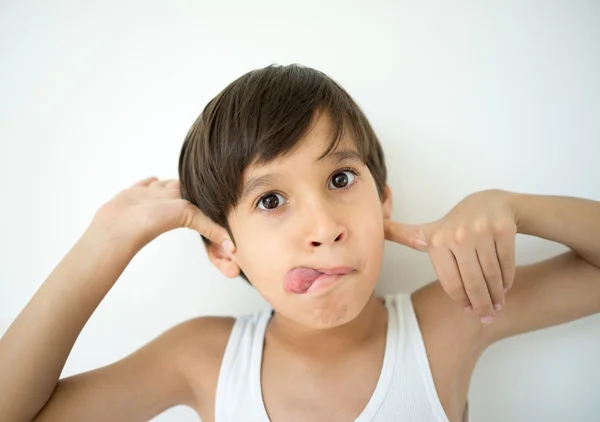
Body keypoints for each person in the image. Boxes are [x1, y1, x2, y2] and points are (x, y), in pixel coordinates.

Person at [1, 64, 599, 422]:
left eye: (341, 180)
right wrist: (106, 241)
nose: (323, 227)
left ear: (382, 201)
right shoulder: (202, 360)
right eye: (270, 200)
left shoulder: (453, 317)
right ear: (223, 249)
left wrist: (513, 209)